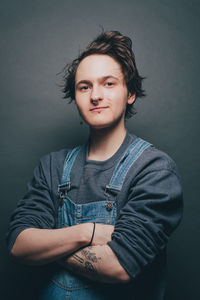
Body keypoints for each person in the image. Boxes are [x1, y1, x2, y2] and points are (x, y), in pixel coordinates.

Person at [7, 31, 183, 300]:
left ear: (131, 92)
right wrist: (87, 232)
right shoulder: (52, 167)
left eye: (109, 83)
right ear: (75, 97)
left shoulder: (154, 170)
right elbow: (19, 245)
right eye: (84, 86)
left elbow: (119, 265)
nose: (95, 96)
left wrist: (50, 245)